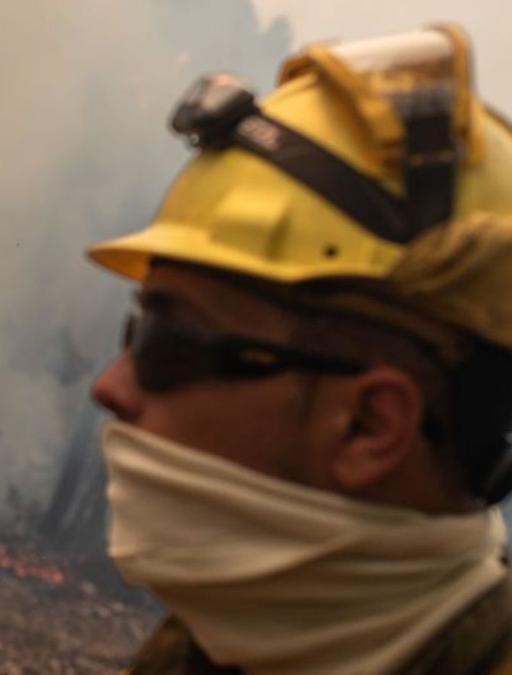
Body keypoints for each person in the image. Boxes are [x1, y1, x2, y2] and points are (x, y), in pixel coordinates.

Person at [87, 25, 512, 675]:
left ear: (369, 425)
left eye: (167, 344)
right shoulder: (210, 649)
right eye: (134, 332)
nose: (111, 384)